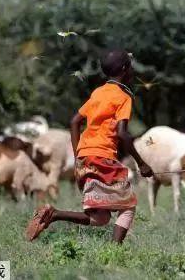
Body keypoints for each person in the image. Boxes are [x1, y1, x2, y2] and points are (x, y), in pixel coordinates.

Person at [24, 49, 154, 244]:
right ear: (126, 69)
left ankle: (54, 214)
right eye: (131, 66)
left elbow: (75, 121)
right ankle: (114, 251)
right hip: (103, 157)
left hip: (86, 157)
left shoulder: (98, 92)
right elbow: (122, 134)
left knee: (100, 218)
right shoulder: (123, 97)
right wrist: (142, 164)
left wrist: (78, 156)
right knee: (128, 206)